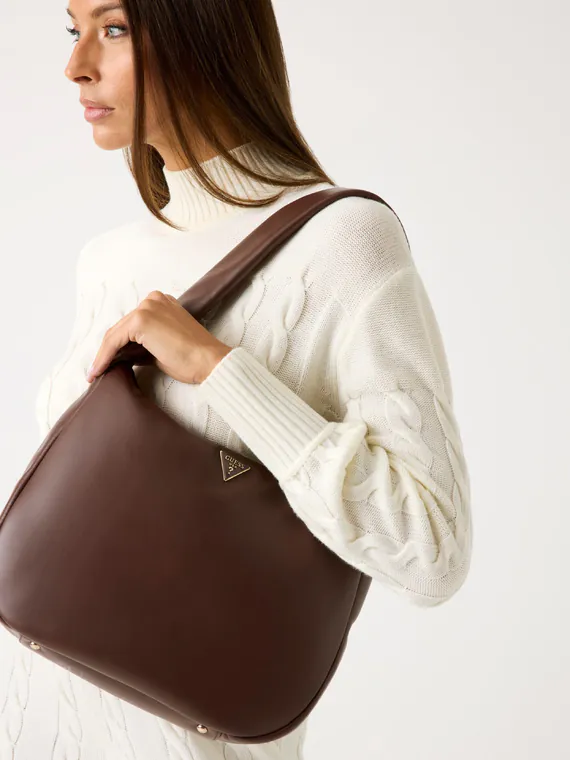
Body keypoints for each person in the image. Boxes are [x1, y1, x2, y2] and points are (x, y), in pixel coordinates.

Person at [1, 0, 473, 758]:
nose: (75, 66)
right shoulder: (109, 261)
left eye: (114, 29)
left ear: (203, 29)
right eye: (73, 28)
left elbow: (433, 555)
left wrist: (221, 371)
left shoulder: (343, 244)